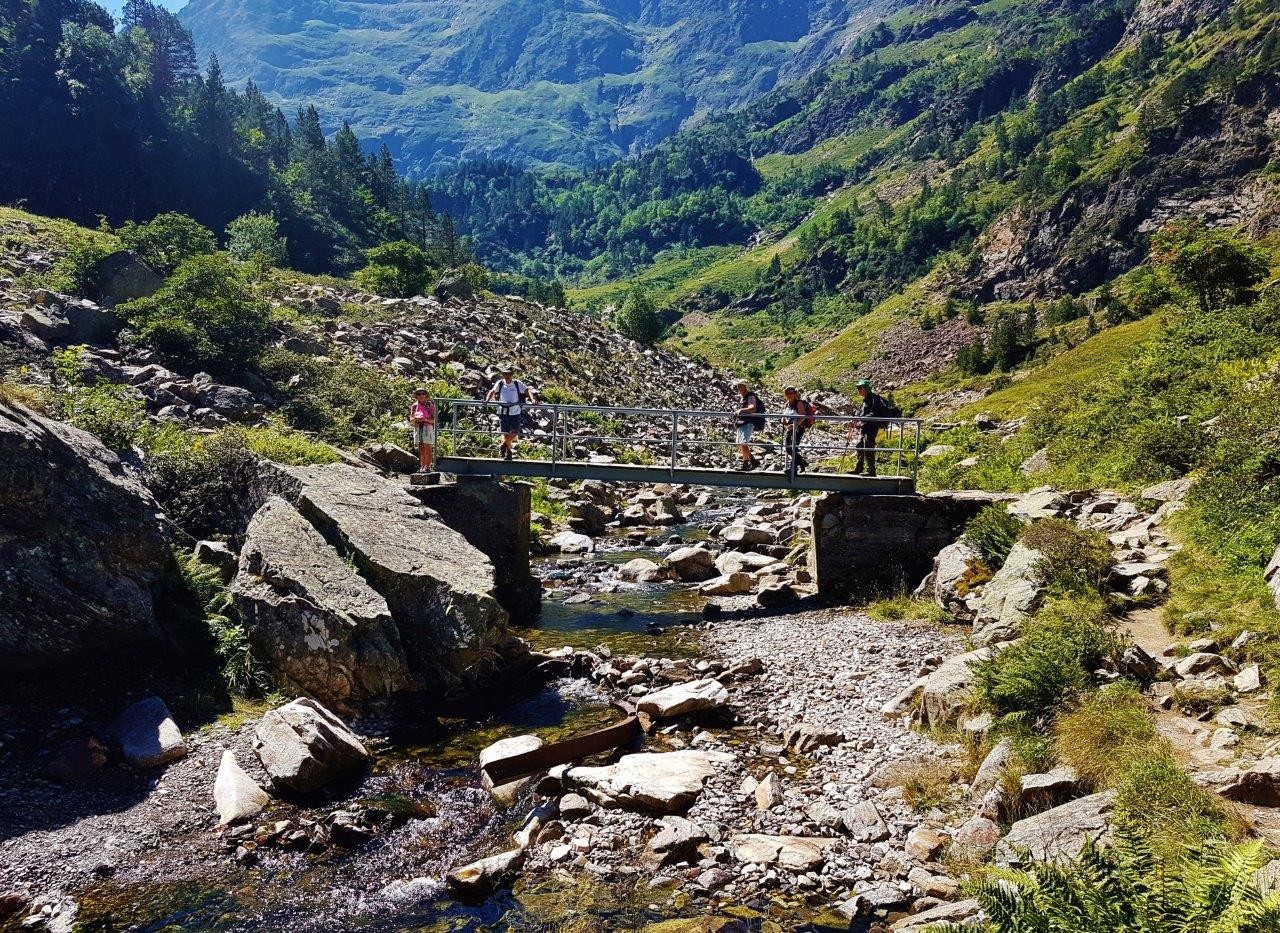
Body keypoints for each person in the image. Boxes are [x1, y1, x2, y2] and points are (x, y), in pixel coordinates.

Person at [486, 365, 535, 460]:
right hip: (503, 412)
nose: (507, 376)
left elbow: (527, 390)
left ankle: (502, 445)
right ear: (503, 375)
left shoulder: (517, 383)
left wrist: (532, 399)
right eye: (505, 374)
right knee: (505, 433)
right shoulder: (500, 383)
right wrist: (487, 400)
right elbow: (492, 391)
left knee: (515, 431)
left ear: (512, 375)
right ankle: (508, 453)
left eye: (509, 374)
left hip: (515, 411)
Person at [850, 378, 887, 476]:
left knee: (868, 447)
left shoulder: (875, 399)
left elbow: (873, 414)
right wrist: (859, 419)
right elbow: (864, 414)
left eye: (859, 387)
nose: (858, 390)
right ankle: (858, 469)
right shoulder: (865, 400)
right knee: (860, 445)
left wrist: (861, 419)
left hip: (871, 427)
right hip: (865, 427)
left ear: (865, 388)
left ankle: (871, 471)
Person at [732, 379, 765, 471]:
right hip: (742, 423)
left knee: (743, 442)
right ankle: (753, 461)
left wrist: (741, 410)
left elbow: (752, 408)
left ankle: (745, 464)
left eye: (740, 386)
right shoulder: (744, 397)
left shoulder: (750, 396)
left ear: (745, 387)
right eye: (738, 386)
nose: (738, 387)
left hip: (747, 423)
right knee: (740, 443)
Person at [781, 386, 814, 474]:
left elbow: (803, 415)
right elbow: (785, 415)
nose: (790, 395)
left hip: (798, 428)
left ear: (795, 394)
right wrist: (783, 420)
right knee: (789, 448)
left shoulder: (798, 403)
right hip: (789, 429)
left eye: (792, 393)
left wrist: (794, 425)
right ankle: (802, 463)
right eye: (788, 393)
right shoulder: (787, 404)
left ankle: (793, 469)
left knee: (792, 448)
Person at [409, 386, 437, 472]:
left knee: (428, 447)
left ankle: (427, 467)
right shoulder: (414, 406)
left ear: (426, 395)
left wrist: (424, 419)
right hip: (418, 427)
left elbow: (434, 420)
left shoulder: (430, 405)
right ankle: (422, 467)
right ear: (416, 396)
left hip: (427, 427)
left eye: (423, 394)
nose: (421, 395)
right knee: (421, 448)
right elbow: (411, 419)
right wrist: (415, 420)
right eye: (419, 394)